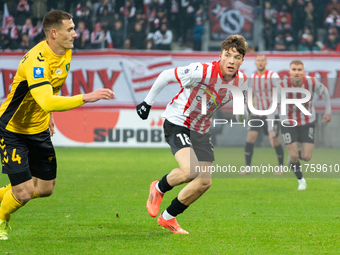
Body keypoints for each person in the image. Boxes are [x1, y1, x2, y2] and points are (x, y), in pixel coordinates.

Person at [0, 10, 114, 240]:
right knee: (23, 193)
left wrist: (49, 114)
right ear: (54, 33)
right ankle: (2, 219)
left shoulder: (65, 53)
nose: (75, 33)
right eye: (70, 29)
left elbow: (51, 90)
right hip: (14, 128)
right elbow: (44, 99)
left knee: (45, 189)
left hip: (39, 127)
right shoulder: (36, 61)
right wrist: (86, 97)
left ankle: (3, 194)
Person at [136, 35, 249, 234]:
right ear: (220, 55)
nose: (231, 61)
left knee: (204, 181)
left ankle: (168, 218)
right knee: (190, 171)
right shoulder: (202, 71)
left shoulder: (241, 82)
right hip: (179, 122)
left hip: (201, 130)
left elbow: (242, 108)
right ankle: (159, 187)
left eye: (237, 57)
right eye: (228, 55)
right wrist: (147, 102)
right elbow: (166, 75)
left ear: (242, 60)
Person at [268, 60, 331, 190]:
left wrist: (328, 112)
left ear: (303, 71)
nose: (296, 72)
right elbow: (273, 107)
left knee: (307, 157)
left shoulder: (311, 82)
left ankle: (292, 158)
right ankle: (301, 181)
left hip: (307, 121)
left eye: (299, 70)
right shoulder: (281, 86)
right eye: (294, 69)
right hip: (288, 122)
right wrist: (270, 129)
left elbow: (325, 92)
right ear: (289, 72)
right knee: (295, 155)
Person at [241, 54, 284, 175]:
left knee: (275, 140)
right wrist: (247, 110)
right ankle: (247, 167)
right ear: (255, 63)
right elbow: (251, 95)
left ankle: (281, 166)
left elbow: (279, 93)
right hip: (257, 113)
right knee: (250, 137)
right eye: (258, 60)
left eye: (262, 61)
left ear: (266, 63)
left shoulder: (272, 76)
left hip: (272, 112)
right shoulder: (252, 77)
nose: (260, 62)